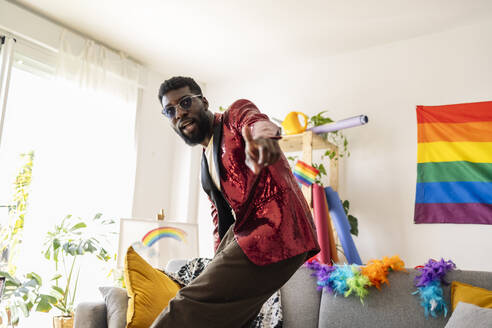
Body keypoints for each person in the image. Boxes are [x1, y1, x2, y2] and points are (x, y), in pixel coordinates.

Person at [151, 76, 319, 327]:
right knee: (230, 318)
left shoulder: (234, 116)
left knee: (186, 304)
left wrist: (262, 140)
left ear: (204, 101)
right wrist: (217, 265)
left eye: (186, 102)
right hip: (245, 234)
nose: (179, 113)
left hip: (277, 229)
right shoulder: (205, 165)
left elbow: (256, 123)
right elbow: (220, 219)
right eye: (170, 110)